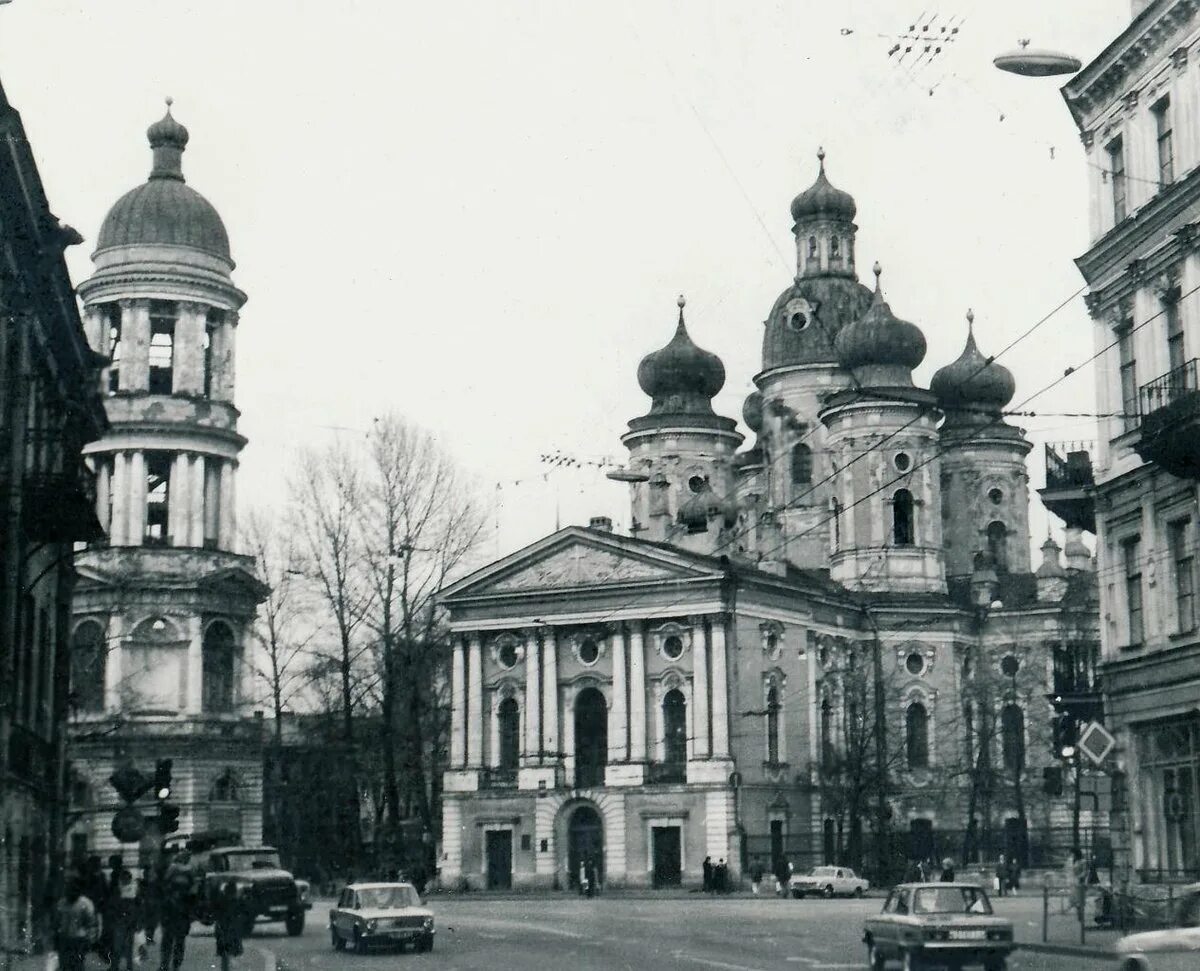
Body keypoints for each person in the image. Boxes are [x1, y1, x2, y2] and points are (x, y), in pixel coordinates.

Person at [159, 851, 195, 971]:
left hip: (179, 912)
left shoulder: (184, 871)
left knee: (175, 941)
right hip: (174, 912)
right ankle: (169, 965)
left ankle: (172, 965)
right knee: (172, 940)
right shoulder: (176, 869)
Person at [56, 877, 100, 971]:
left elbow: (91, 923)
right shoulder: (62, 902)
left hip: (79, 940)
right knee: (64, 965)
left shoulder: (85, 903)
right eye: (68, 888)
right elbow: (57, 920)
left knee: (77, 965)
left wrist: (90, 940)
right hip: (64, 938)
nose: (70, 891)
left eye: (73, 888)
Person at [109, 865, 140, 971]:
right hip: (120, 920)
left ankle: (127, 966)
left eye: (127, 878)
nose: (125, 880)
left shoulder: (134, 889)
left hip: (130, 921)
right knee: (118, 945)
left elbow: (139, 906)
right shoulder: (118, 889)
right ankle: (116, 966)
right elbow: (113, 905)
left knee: (128, 946)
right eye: (124, 878)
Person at [212, 881, 245, 971]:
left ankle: (226, 968)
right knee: (227, 953)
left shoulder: (222, 900)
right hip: (230, 930)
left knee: (225, 954)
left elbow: (216, 913)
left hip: (224, 930)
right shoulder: (236, 902)